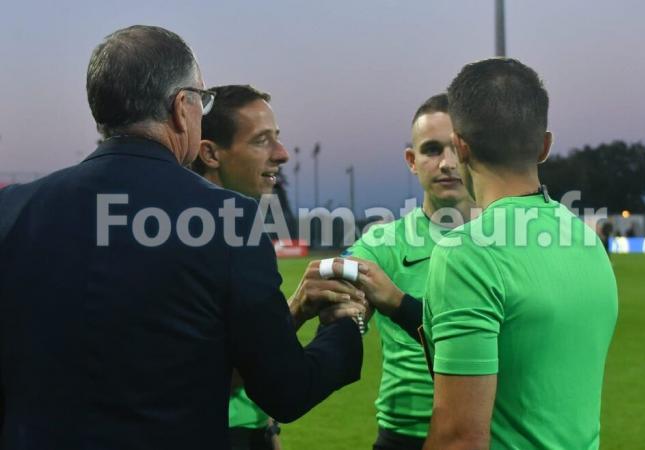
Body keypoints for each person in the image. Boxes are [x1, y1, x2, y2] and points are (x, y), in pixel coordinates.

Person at [0, 25, 363, 450]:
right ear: (180, 107)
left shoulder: (12, 210)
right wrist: (346, 327)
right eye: (201, 100)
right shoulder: (230, 220)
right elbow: (286, 390)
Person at [422, 58, 618, 449]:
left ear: (460, 146)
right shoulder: (588, 242)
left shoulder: (468, 254)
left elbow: (459, 438)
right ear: (545, 146)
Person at [193, 84, 366, 450]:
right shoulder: (207, 240)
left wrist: (296, 309)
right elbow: (203, 377)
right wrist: (347, 326)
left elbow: (236, 354)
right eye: (261, 141)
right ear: (210, 153)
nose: (282, 154)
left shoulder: (224, 229)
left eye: (278, 138)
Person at [343, 93, 475, 450]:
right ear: (411, 160)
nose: (446, 163)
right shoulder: (381, 245)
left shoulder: (509, 240)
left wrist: (398, 303)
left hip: (482, 434)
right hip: (401, 438)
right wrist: (348, 309)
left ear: (471, 152)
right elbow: (342, 303)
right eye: (431, 150)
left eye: (455, 148)